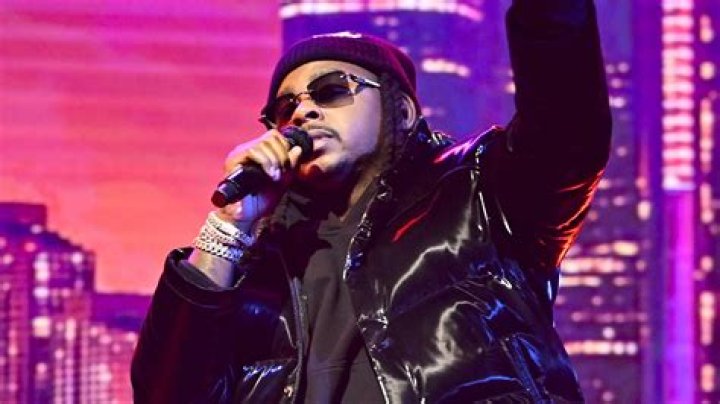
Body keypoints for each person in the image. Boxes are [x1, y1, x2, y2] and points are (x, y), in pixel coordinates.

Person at [131, 0, 611, 402]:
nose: (304, 111)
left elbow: (566, 131)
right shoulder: (260, 267)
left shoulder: (478, 190)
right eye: (285, 107)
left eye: (331, 91)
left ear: (401, 110)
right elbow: (166, 395)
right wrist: (230, 225)